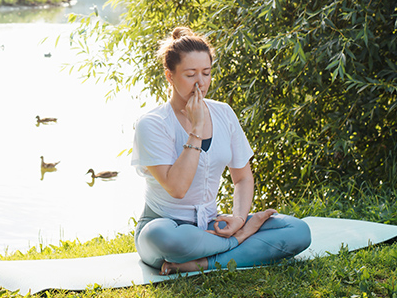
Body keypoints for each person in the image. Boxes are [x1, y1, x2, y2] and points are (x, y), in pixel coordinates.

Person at [131, 27, 311, 275]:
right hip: (166, 227)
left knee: (297, 231)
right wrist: (196, 128)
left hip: (210, 226)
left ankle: (204, 262)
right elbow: (178, 188)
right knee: (162, 237)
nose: (201, 83)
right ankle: (236, 245)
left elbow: (243, 177)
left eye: (206, 73)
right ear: (169, 76)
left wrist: (238, 218)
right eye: (190, 74)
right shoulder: (151, 123)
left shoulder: (224, 113)